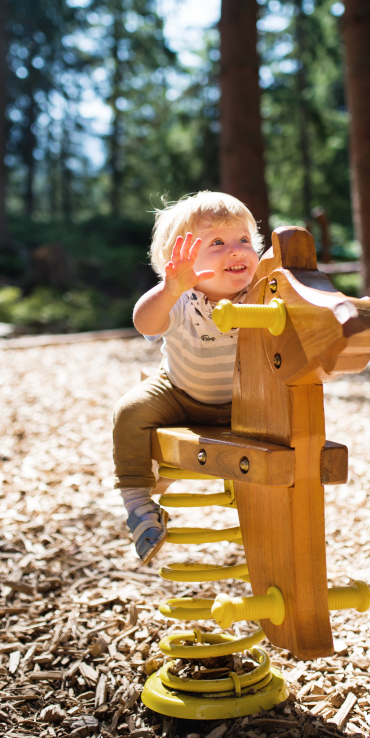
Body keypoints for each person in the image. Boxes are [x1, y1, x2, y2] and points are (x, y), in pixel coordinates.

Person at [113, 192, 263, 563]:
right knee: (129, 410)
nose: (236, 250)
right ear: (179, 262)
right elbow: (144, 323)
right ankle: (139, 506)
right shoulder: (182, 299)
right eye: (217, 243)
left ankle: (276, 511)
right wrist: (170, 289)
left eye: (244, 240)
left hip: (247, 405)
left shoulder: (262, 295)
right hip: (179, 393)